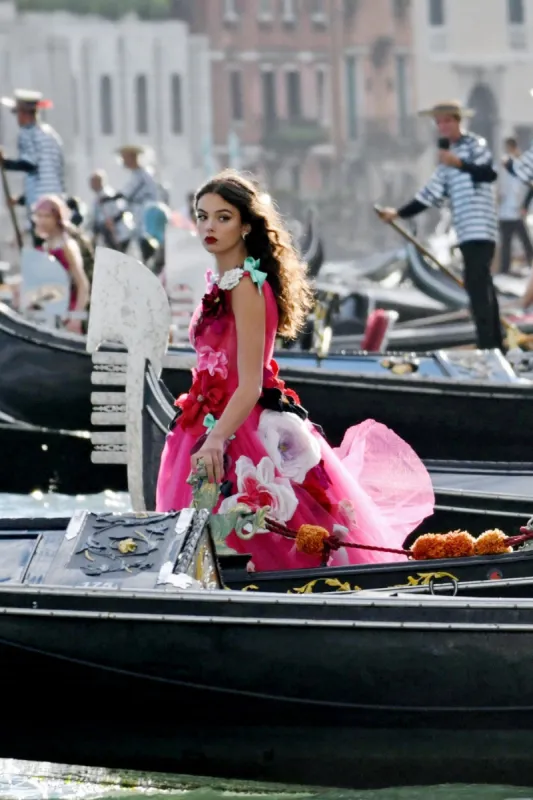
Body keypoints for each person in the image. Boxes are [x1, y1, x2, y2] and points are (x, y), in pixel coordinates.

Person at [156, 170, 434, 573]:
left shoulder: (247, 287)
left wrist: (216, 439)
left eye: (223, 217)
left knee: (258, 540)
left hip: (237, 429)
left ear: (246, 225)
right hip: (208, 420)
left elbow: (249, 382)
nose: (208, 227)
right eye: (202, 217)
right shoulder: (223, 283)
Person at [378, 100, 503, 351]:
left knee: (478, 284)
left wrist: (459, 163)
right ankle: (492, 343)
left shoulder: (474, 145)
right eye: (439, 122)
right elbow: (428, 195)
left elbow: (488, 173)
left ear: (457, 121)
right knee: (479, 284)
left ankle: (489, 346)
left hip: (482, 228)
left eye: (447, 120)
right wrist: (398, 214)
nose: (443, 126)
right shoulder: (445, 163)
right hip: (465, 231)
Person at [0, 89, 65, 246]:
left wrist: (5, 163)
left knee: (41, 248)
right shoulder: (51, 135)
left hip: (40, 207)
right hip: (56, 202)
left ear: (24, 114)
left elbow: (30, 164)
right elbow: (45, 173)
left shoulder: (26, 134)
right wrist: (21, 199)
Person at [33, 195, 90, 333]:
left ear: (57, 218)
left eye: (46, 216)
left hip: (69, 315)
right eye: (39, 216)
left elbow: (83, 285)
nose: (42, 221)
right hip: (52, 314)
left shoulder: (67, 246)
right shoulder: (46, 246)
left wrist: (75, 319)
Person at [101, 145, 159, 263]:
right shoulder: (136, 174)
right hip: (137, 213)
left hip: (146, 212)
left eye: (125, 158)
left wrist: (109, 198)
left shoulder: (143, 174)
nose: (123, 161)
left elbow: (126, 194)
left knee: (144, 239)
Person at [498, 137, 533, 275]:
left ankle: (530, 263)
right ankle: (504, 269)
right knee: (506, 242)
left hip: (516, 210)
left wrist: (524, 205)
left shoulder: (520, 163)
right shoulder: (505, 166)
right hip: (505, 212)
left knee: (524, 240)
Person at [88, 170, 133, 253]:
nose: (90, 184)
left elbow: (121, 211)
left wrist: (112, 221)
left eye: (93, 181)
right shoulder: (97, 197)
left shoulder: (108, 195)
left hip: (118, 235)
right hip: (108, 235)